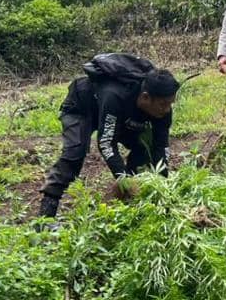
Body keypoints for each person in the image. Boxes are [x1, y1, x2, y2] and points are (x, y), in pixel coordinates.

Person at [38, 54, 180, 218]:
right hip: (82, 109)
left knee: (144, 147)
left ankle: (136, 206)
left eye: (170, 104)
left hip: (120, 117)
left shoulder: (163, 109)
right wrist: (124, 180)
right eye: (163, 104)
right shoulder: (115, 95)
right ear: (146, 97)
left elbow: (161, 146)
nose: (167, 109)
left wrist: (163, 185)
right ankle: (46, 213)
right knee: (74, 153)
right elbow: (106, 143)